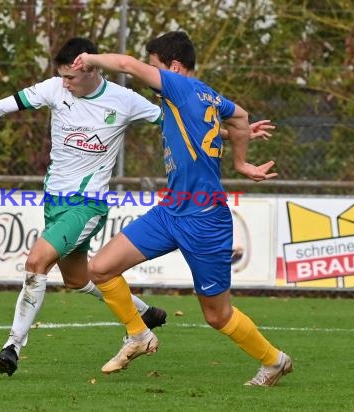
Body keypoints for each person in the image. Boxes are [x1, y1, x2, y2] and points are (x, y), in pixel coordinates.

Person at [73, 31, 293, 387]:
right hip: (171, 210)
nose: (150, 74)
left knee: (217, 316)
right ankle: (139, 335)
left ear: (174, 67)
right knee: (100, 268)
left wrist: (92, 59)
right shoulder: (202, 95)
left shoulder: (178, 86)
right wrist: (240, 161)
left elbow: (127, 65)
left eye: (155, 65)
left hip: (205, 219)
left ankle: (274, 361)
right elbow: (239, 117)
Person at [0, 37, 168, 377]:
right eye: (61, 77)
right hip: (54, 204)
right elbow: (5, 104)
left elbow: (175, 123)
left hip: (86, 205)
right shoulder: (54, 90)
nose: (65, 84)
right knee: (77, 280)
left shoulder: (124, 100)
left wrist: (226, 131)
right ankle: (143, 312)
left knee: (36, 262)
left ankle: (12, 346)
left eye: (70, 78)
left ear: (90, 69)